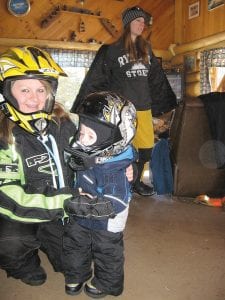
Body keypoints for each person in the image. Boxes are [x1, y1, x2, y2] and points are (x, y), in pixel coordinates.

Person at [71, 6, 177, 197]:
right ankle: (119, 180)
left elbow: (156, 79)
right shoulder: (112, 51)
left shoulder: (147, 49)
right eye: (138, 21)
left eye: (143, 22)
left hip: (143, 108)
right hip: (121, 111)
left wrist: (164, 103)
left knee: (145, 149)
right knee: (121, 147)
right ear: (128, 23)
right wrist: (87, 105)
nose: (141, 24)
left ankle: (135, 181)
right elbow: (97, 78)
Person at [0, 46, 82, 286]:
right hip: (21, 215)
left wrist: (120, 164)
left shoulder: (64, 123)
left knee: (76, 266)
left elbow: (90, 154)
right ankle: (24, 263)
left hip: (61, 213)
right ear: (6, 92)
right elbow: (6, 194)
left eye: (41, 89)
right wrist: (65, 202)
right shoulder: (4, 136)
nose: (34, 98)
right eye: (24, 89)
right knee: (8, 242)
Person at [62, 91, 137, 298]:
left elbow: (117, 202)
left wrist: (83, 206)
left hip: (107, 218)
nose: (82, 140)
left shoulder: (114, 168)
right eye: (81, 133)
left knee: (106, 251)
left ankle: (107, 283)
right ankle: (76, 274)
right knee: (75, 243)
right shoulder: (87, 152)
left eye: (90, 136)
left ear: (111, 140)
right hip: (82, 207)